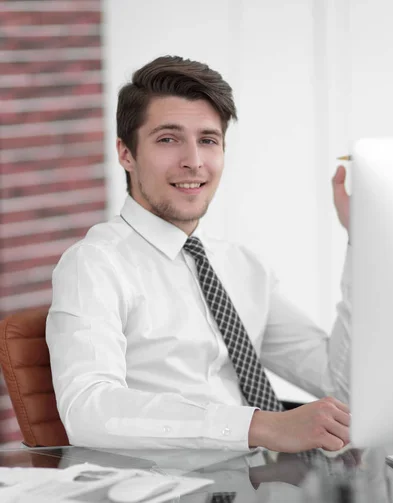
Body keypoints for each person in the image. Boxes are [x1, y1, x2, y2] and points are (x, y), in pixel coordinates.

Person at [46, 55, 352, 454]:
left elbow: (341, 385)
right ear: (126, 153)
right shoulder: (95, 265)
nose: (193, 161)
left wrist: (360, 242)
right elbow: (88, 409)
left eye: (208, 140)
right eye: (168, 139)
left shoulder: (242, 267)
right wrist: (256, 426)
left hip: (258, 485)